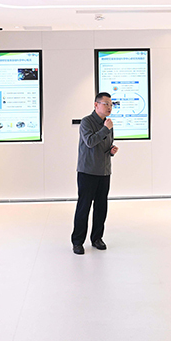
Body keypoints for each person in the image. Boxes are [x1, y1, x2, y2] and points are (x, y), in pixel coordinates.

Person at [71, 92, 118, 255]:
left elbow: (105, 144)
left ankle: (97, 238)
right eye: (106, 104)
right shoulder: (87, 122)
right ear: (96, 105)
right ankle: (77, 241)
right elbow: (90, 142)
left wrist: (111, 151)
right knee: (84, 207)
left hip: (104, 171)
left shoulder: (108, 124)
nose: (109, 107)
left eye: (111, 104)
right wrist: (105, 129)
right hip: (88, 171)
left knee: (101, 207)